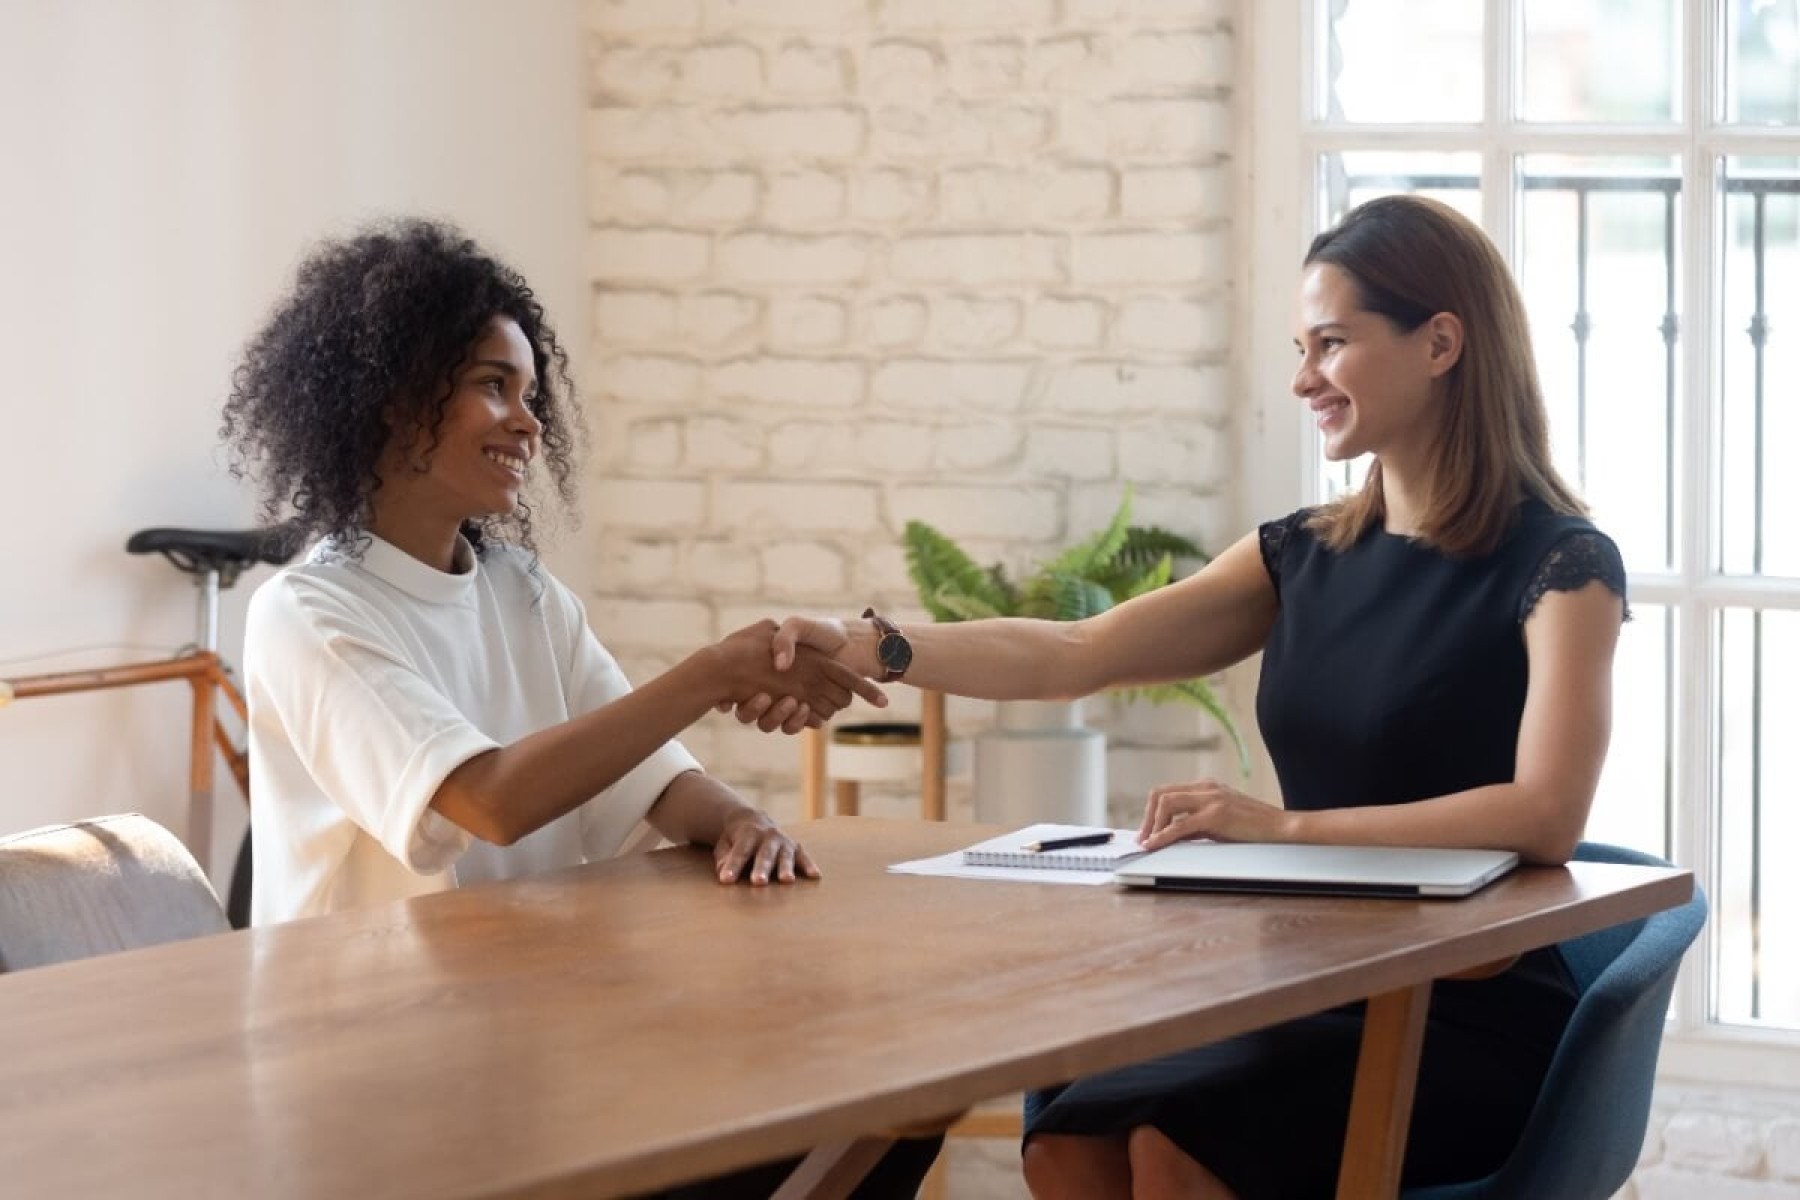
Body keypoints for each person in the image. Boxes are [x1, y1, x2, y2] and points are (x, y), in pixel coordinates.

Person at [745, 195, 1629, 1199]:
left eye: (1331, 345)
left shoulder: (1562, 564)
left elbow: (1546, 816)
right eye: (1300, 347)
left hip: (1471, 1011)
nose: (1302, 379)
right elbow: (1075, 652)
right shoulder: (1303, 554)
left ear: (1440, 343)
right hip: (1311, 983)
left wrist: (1280, 828)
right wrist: (873, 643)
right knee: (1067, 1144)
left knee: (1175, 1148)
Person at [219, 217, 941, 1197]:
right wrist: (715, 671)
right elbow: (487, 802)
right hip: (384, 1085)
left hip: (530, 1044)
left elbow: (659, 783)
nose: (528, 422)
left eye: (529, 392)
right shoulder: (307, 613)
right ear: (392, 400)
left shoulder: (520, 590)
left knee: (894, 1093)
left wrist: (739, 821)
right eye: (491, 385)